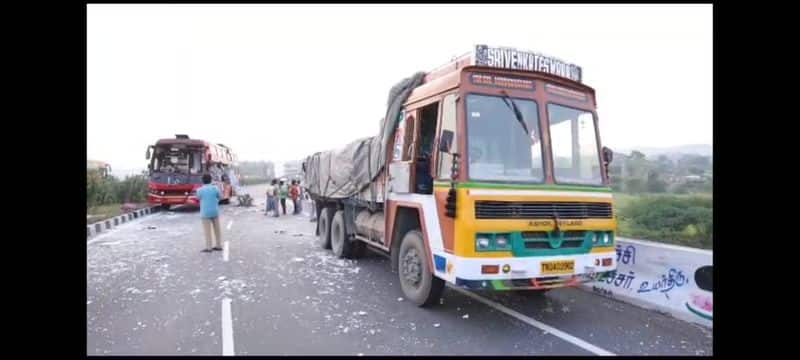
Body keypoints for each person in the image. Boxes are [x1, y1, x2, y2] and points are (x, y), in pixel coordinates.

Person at [197, 173, 223, 253]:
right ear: (211, 180)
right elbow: (220, 197)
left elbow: (198, 198)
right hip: (215, 211)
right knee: (217, 230)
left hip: (205, 212)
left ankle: (209, 247)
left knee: (207, 231)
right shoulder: (215, 188)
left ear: (202, 180)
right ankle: (219, 245)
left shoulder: (200, 190)